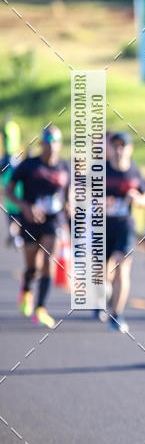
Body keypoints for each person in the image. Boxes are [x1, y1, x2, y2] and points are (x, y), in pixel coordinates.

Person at [6, 125, 70, 328]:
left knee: (49, 263)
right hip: (31, 220)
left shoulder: (64, 166)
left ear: (59, 145)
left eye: (55, 143)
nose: (51, 147)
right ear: (42, 144)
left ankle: (40, 308)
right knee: (32, 267)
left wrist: (71, 203)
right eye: (47, 143)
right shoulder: (28, 165)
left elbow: (71, 191)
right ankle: (26, 289)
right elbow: (8, 191)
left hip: (54, 220)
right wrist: (24, 206)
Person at [104, 131, 145, 332]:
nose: (119, 149)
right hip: (102, 227)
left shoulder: (134, 172)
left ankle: (117, 314)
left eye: (123, 145)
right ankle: (106, 294)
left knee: (122, 269)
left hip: (125, 226)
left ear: (130, 149)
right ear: (110, 148)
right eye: (115, 145)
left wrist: (138, 200)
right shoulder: (100, 170)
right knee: (103, 274)